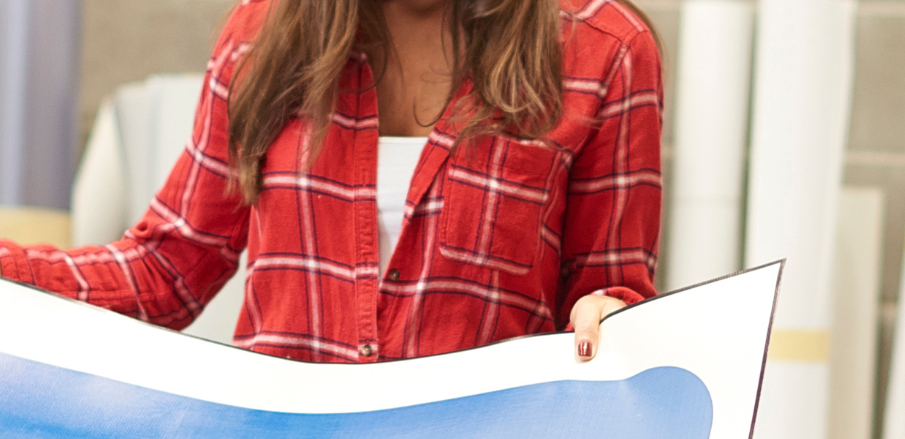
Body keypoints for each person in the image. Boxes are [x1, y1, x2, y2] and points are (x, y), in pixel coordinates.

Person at [0, 0, 658, 364]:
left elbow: (609, 290)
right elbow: (169, 267)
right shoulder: (262, 36)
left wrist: (617, 317)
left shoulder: (604, 50)